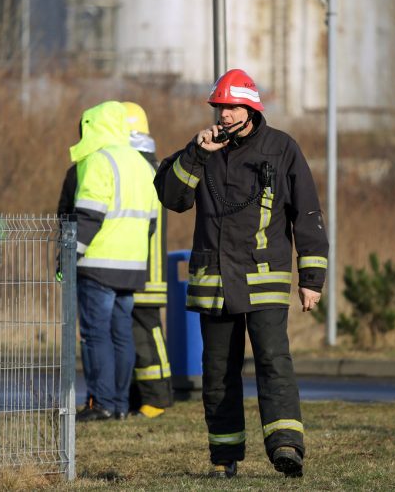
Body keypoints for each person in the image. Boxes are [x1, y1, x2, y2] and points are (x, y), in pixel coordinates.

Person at [154, 69, 328, 479]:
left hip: (263, 279)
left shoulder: (282, 149)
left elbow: (307, 214)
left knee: (273, 361)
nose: (224, 114)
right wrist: (196, 154)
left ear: (250, 108)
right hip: (214, 284)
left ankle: (286, 447)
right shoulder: (202, 149)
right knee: (217, 372)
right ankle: (224, 455)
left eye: (232, 107)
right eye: (220, 107)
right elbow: (171, 197)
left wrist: (311, 279)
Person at [57, 100, 160, 422]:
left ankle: (100, 404)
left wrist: (68, 256)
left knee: (95, 334)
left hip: (98, 263)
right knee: (121, 334)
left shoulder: (98, 161)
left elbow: (88, 214)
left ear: (91, 127)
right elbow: (153, 220)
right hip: (131, 266)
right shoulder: (142, 164)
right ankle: (117, 405)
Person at [122, 102, 173, 419]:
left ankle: (156, 399)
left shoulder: (140, 169)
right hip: (141, 268)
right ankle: (144, 397)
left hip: (143, 269)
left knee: (146, 333)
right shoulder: (146, 166)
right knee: (139, 334)